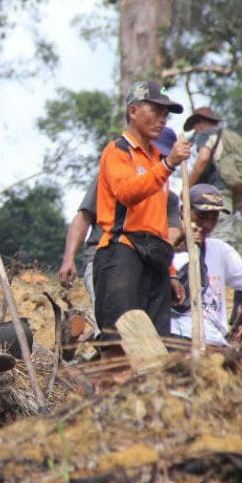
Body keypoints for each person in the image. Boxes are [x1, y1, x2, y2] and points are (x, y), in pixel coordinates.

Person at [93, 80, 192, 344]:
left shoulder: (156, 160)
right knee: (120, 341)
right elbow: (127, 192)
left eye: (165, 114)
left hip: (155, 259)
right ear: (133, 111)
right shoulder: (118, 151)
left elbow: (159, 225)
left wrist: (170, 272)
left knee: (157, 345)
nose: (162, 119)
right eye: (156, 111)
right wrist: (169, 164)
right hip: (122, 251)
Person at [59, 128, 183, 326]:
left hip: (149, 264)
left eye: (165, 158)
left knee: (146, 335)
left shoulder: (169, 197)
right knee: (117, 330)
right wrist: (68, 259)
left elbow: (168, 237)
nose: (159, 162)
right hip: (108, 257)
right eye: (157, 155)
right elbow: (84, 217)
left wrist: (170, 272)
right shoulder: (117, 174)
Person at [170, 184, 242, 346]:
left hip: (213, 340)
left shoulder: (220, 249)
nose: (208, 225)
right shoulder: (164, 246)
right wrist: (180, 240)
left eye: (213, 218)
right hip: (178, 336)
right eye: (202, 216)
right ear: (183, 211)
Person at [184, 106, 242, 249]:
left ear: (199, 123)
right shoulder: (229, 136)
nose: (196, 130)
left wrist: (186, 188)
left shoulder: (206, 134)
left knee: (218, 236)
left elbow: (203, 158)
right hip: (230, 192)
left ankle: (218, 266)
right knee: (223, 231)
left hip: (216, 193)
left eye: (195, 127)